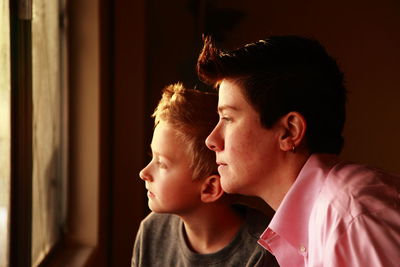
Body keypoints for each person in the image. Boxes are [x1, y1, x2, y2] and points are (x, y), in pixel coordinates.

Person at [197, 35, 400, 267]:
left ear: (289, 131)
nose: (211, 140)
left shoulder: (351, 217)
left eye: (228, 118)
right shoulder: (325, 216)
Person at [132, 83, 278, 267]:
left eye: (161, 163)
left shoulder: (263, 252)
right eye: (152, 157)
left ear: (209, 188)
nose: (143, 173)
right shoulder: (152, 231)